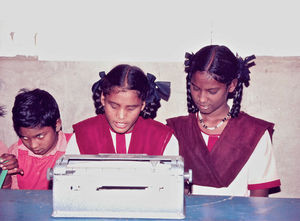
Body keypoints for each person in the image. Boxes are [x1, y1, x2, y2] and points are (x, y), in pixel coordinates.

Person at [166, 45, 280, 197]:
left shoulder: (255, 133)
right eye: (195, 88)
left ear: (232, 85)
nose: (201, 98)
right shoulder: (176, 130)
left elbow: (259, 203)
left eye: (212, 91)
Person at [66, 64, 178, 155]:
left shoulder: (162, 138)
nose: (121, 116)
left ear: (143, 104)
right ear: (103, 99)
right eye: (114, 106)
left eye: (131, 108)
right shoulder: (82, 136)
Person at [8, 88, 72, 190]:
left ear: (57, 124)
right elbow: (9, 197)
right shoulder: (16, 152)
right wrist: (5, 173)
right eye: (24, 137)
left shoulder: (74, 148)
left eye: (40, 136)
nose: (33, 145)